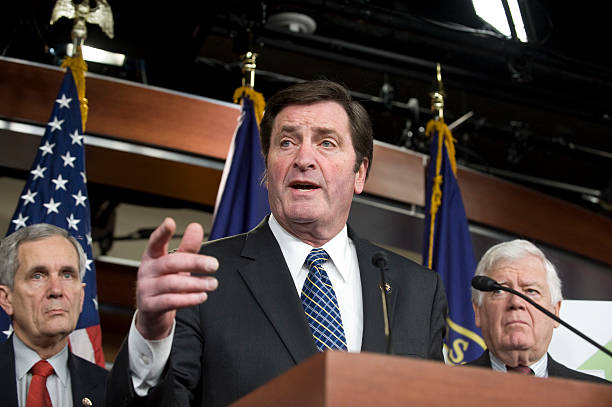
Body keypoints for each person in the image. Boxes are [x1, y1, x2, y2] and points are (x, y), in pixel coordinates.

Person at [106, 79, 448, 406]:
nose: (303, 159)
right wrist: (151, 334)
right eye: (287, 142)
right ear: (268, 169)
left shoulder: (418, 289)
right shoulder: (198, 280)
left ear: (360, 172)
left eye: (326, 142)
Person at [467, 239, 608, 383]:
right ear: (478, 312)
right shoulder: (447, 388)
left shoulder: (601, 395)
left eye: (531, 291)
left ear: (555, 311)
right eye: (499, 291)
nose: (516, 302)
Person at [0, 223, 108, 407]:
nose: (56, 290)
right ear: (6, 298)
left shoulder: (109, 390)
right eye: (38, 276)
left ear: (81, 297)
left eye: (67, 275)